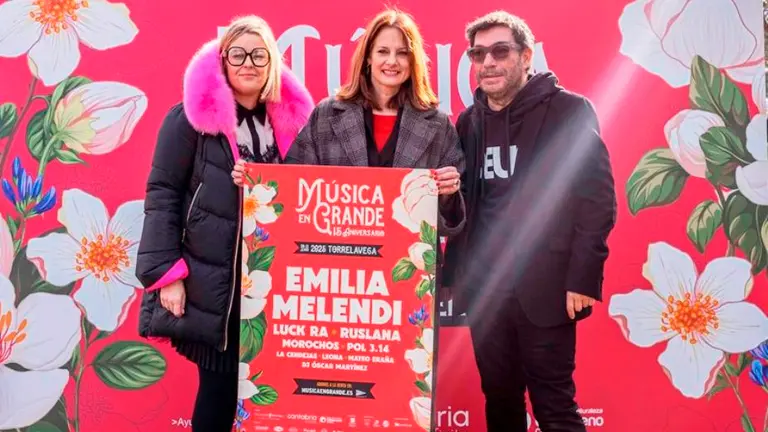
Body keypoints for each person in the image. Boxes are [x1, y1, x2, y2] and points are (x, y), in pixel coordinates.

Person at [134, 15, 314, 432]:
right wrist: (167, 275)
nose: (248, 63)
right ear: (223, 60)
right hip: (218, 286)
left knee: (274, 401)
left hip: (275, 284)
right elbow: (161, 194)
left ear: (272, 63)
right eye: (238, 54)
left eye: (258, 54)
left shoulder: (292, 125)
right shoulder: (190, 119)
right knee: (218, 391)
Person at [442, 10, 616, 432]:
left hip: (548, 288)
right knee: (500, 401)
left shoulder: (568, 111)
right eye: (478, 54)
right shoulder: (469, 122)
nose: (488, 62)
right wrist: (446, 198)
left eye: (500, 51)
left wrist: (583, 277)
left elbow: (597, 200)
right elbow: (462, 208)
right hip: (486, 290)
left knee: (553, 403)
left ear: (526, 55)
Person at [241, 8, 465, 235]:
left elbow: (455, 218)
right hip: (339, 261)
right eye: (382, 51)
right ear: (368, 57)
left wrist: (449, 194)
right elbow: (291, 186)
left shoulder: (437, 125)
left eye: (402, 53)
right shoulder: (327, 115)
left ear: (413, 60)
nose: (392, 61)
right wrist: (250, 178)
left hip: (406, 266)